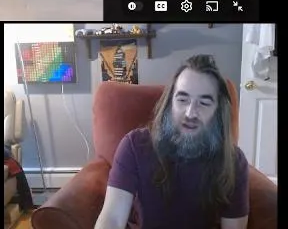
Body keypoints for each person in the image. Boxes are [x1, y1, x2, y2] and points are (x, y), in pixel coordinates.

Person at [95, 55, 250, 229]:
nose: (190, 113)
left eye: (204, 103)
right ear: (169, 103)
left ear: (218, 111)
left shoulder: (234, 162)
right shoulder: (134, 146)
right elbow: (112, 219)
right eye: (182, 100)